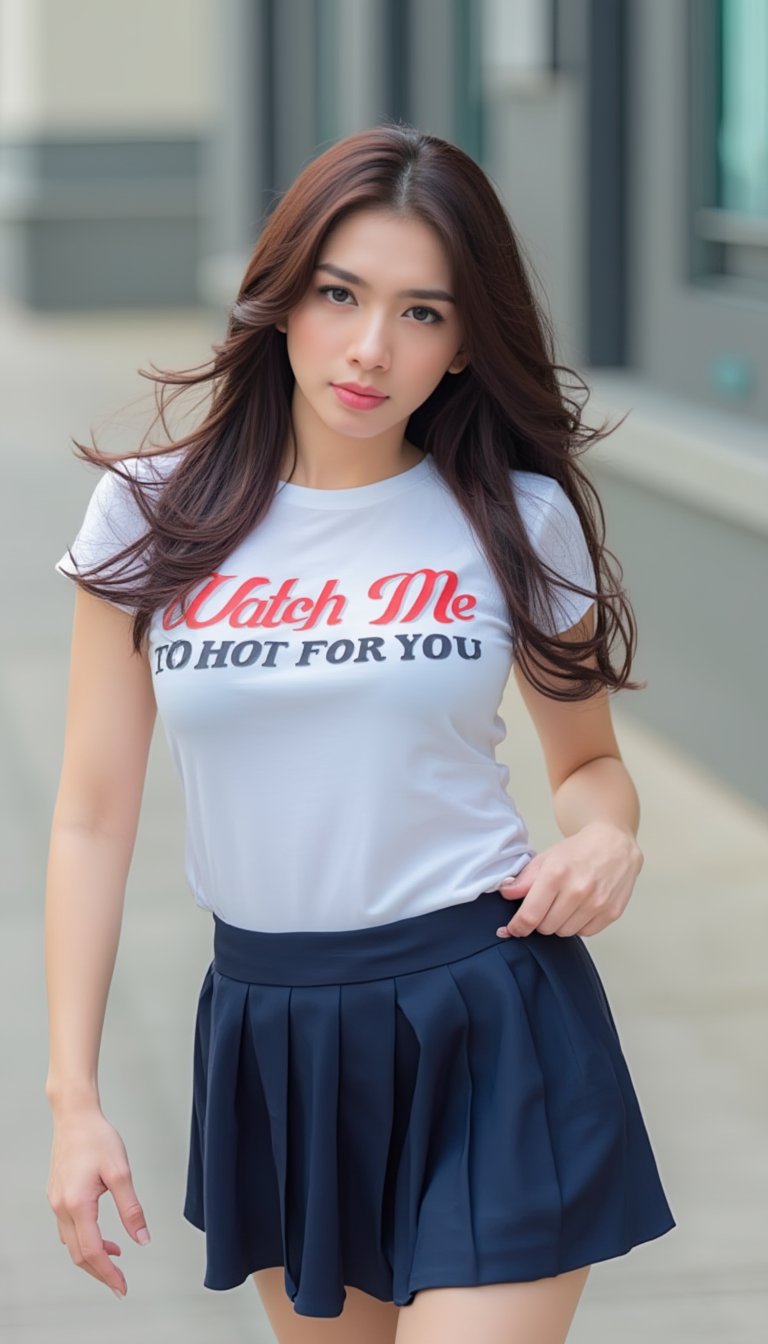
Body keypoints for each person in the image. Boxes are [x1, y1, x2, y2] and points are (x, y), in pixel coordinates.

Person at [45, 121, 675, 1344]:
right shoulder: (147, 514)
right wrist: (73, 1097)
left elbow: (589, 768)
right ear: (281, 298)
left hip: (491, 1013)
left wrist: (607, 841)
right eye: (341, 294)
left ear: (465, 343)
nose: (372, 348)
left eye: (425, 313)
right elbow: (88, 817)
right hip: (279, 1033)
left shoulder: (514, 517)